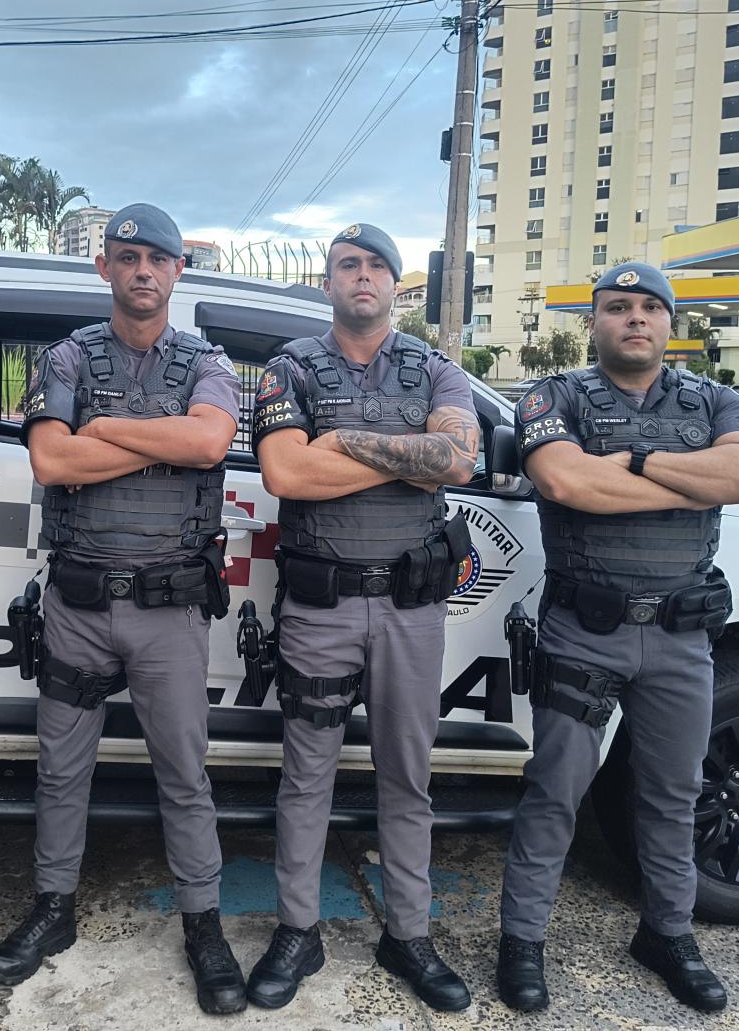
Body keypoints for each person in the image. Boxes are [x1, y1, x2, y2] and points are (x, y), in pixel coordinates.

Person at [0, 203, 248, 1015]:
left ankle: (203, 924)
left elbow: (208, 444)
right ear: (104, 267)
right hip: (80, 601)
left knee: (184, 773)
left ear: (177, 271)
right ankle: (52, 909)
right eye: (126, 256)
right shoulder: (68, 354)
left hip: (170, 607)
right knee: (62, 769)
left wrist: (102, 425)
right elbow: (52, 460)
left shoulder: (208, 360)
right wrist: (141, 434)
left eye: (156, 258)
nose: (141, 270)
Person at [496, 262, 739, 1014]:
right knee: (554, 792)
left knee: (673, 795)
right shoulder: (554, 395)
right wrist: (694, 477)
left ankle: (667, 932)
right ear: (594, 321)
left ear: (669, 322)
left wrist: (641, 460)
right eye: (617, 306)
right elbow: (568, 484)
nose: (635, 318)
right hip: (584, 633)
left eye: (650, 306)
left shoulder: (713, 397)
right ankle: (521, 940)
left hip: (682, 640)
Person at [247, 223, 480, 1013]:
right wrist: (397, 449)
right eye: (348, 264)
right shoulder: (290, 367)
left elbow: (457, 460)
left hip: (412, 606)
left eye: (376, 265)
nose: (363, 276)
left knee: (407, 775)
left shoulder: (436, 368)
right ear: (328, 282)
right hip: (322, 604)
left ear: (395, 283)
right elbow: (286, 470)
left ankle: (408, 935)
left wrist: (340, 439)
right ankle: (296, 929)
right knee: (305, 774)